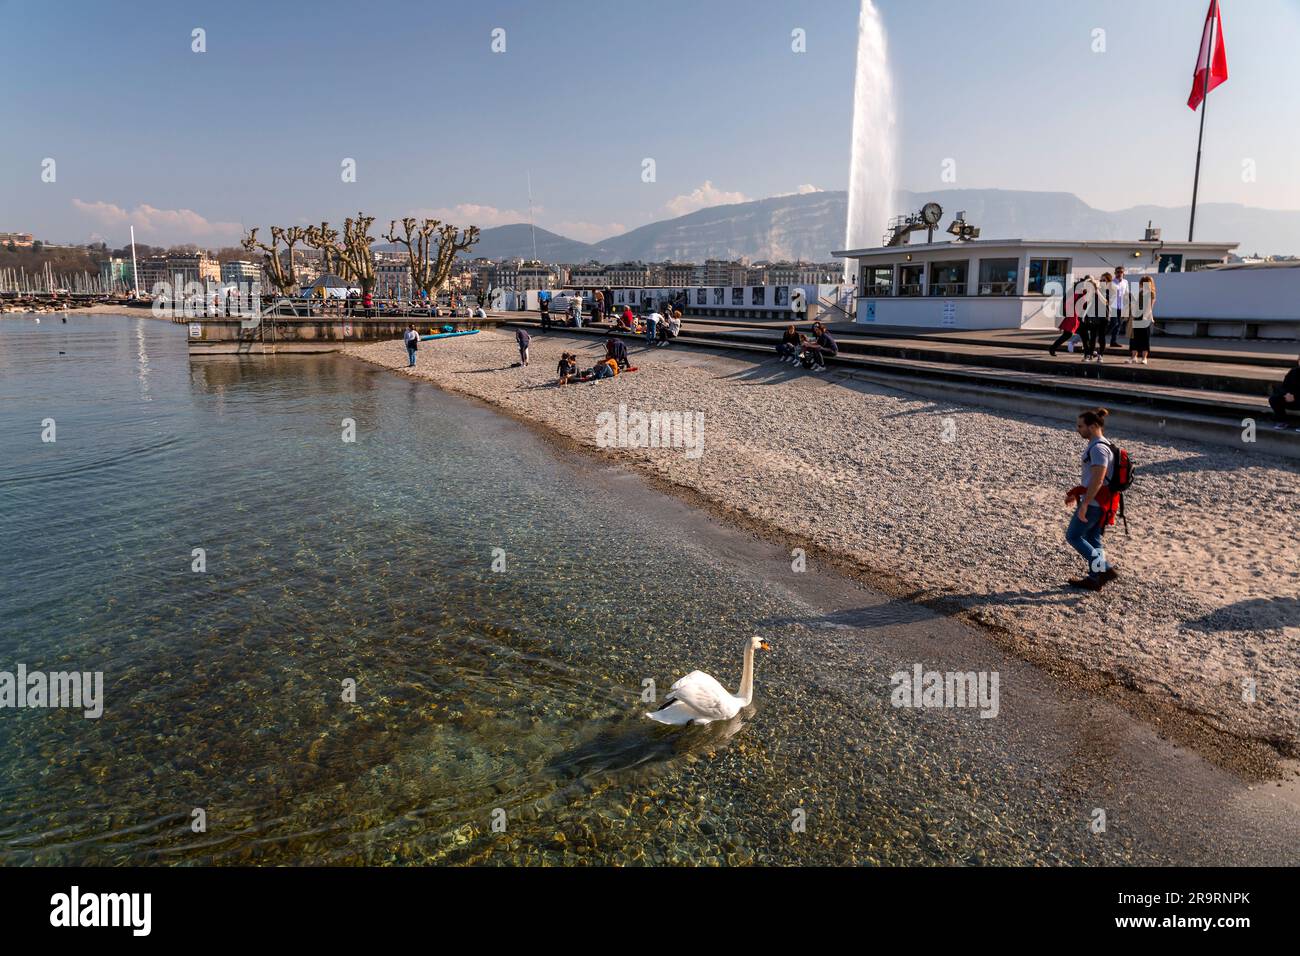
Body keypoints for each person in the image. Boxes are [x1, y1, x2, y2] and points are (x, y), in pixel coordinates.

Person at [1064, 408, 1119, 591]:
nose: (1077, 429)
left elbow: (1098, 478)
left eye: (1080, 426)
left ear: (1093, 426)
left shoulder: (1098, 449)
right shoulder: (1102, 445)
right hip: (1100, 502)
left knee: (1073, 535)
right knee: (1093, 538)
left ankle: (1105, 568)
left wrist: (1085, 504)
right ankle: (1095, 578)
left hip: (1095, 502)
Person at [1050, 279, 1088, 356]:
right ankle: (1088, 352)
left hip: (1076, 317)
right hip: (1075, 317)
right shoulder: (1079, 294)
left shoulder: (1078, 293)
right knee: (1071, 334)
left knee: (1081, 335)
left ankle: (1088, 352)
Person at [1127, 275, 1155, 365]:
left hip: (1144, 317)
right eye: (1143, 283)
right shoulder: (1139, 292)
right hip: (1136, 316)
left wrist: (1149, 317)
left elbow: (1150, 307)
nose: (1144, 285)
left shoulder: (1151, 293)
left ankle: (1144, 358)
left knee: (1144, 338)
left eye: (1147, 283)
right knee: (1134, 338)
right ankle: (1133, 357)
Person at [1268, 354, 1300, 430]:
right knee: (1274, 399)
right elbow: (1283, 387)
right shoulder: (1293, 372)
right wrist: (1286, 394)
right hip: (1291, 400)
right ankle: (1282, 421)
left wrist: (1295, 396)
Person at [1084, 274, 1109, 363]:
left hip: (1103, 317)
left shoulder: (1105, 290)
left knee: (1101, 337)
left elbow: (1105, 302)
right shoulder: (1090, 292)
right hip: (1093, 317)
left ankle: (1100, 355)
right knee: (1093, 337)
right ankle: (1090, 354)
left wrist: (1097, 291)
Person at [1108, 266, 1129, 349]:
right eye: (1117, 272)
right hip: (1113, 306)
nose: (1119, 273)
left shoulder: (1125, 282)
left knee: (1119, 324)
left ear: (1123, 273)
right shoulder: (1111, 282)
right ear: (1115, 273)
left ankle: (1113, 341)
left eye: (1121, 272)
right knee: (1114, 323)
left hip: (1122, 306)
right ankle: (1101, 336)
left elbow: (1126, 293)